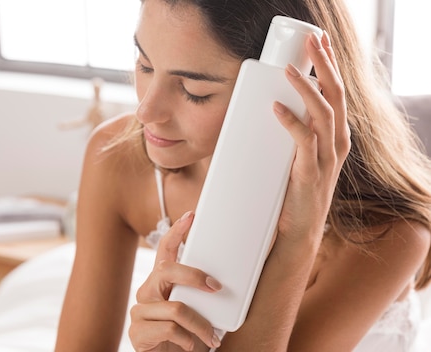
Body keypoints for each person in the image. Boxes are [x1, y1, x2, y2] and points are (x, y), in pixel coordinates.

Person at [55, 0, 431, 351]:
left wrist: (297, 239)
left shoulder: (388, 232)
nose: (146, 111)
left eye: (194, 90)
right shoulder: (118, 159)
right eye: (145, 64)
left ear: (295, 92)